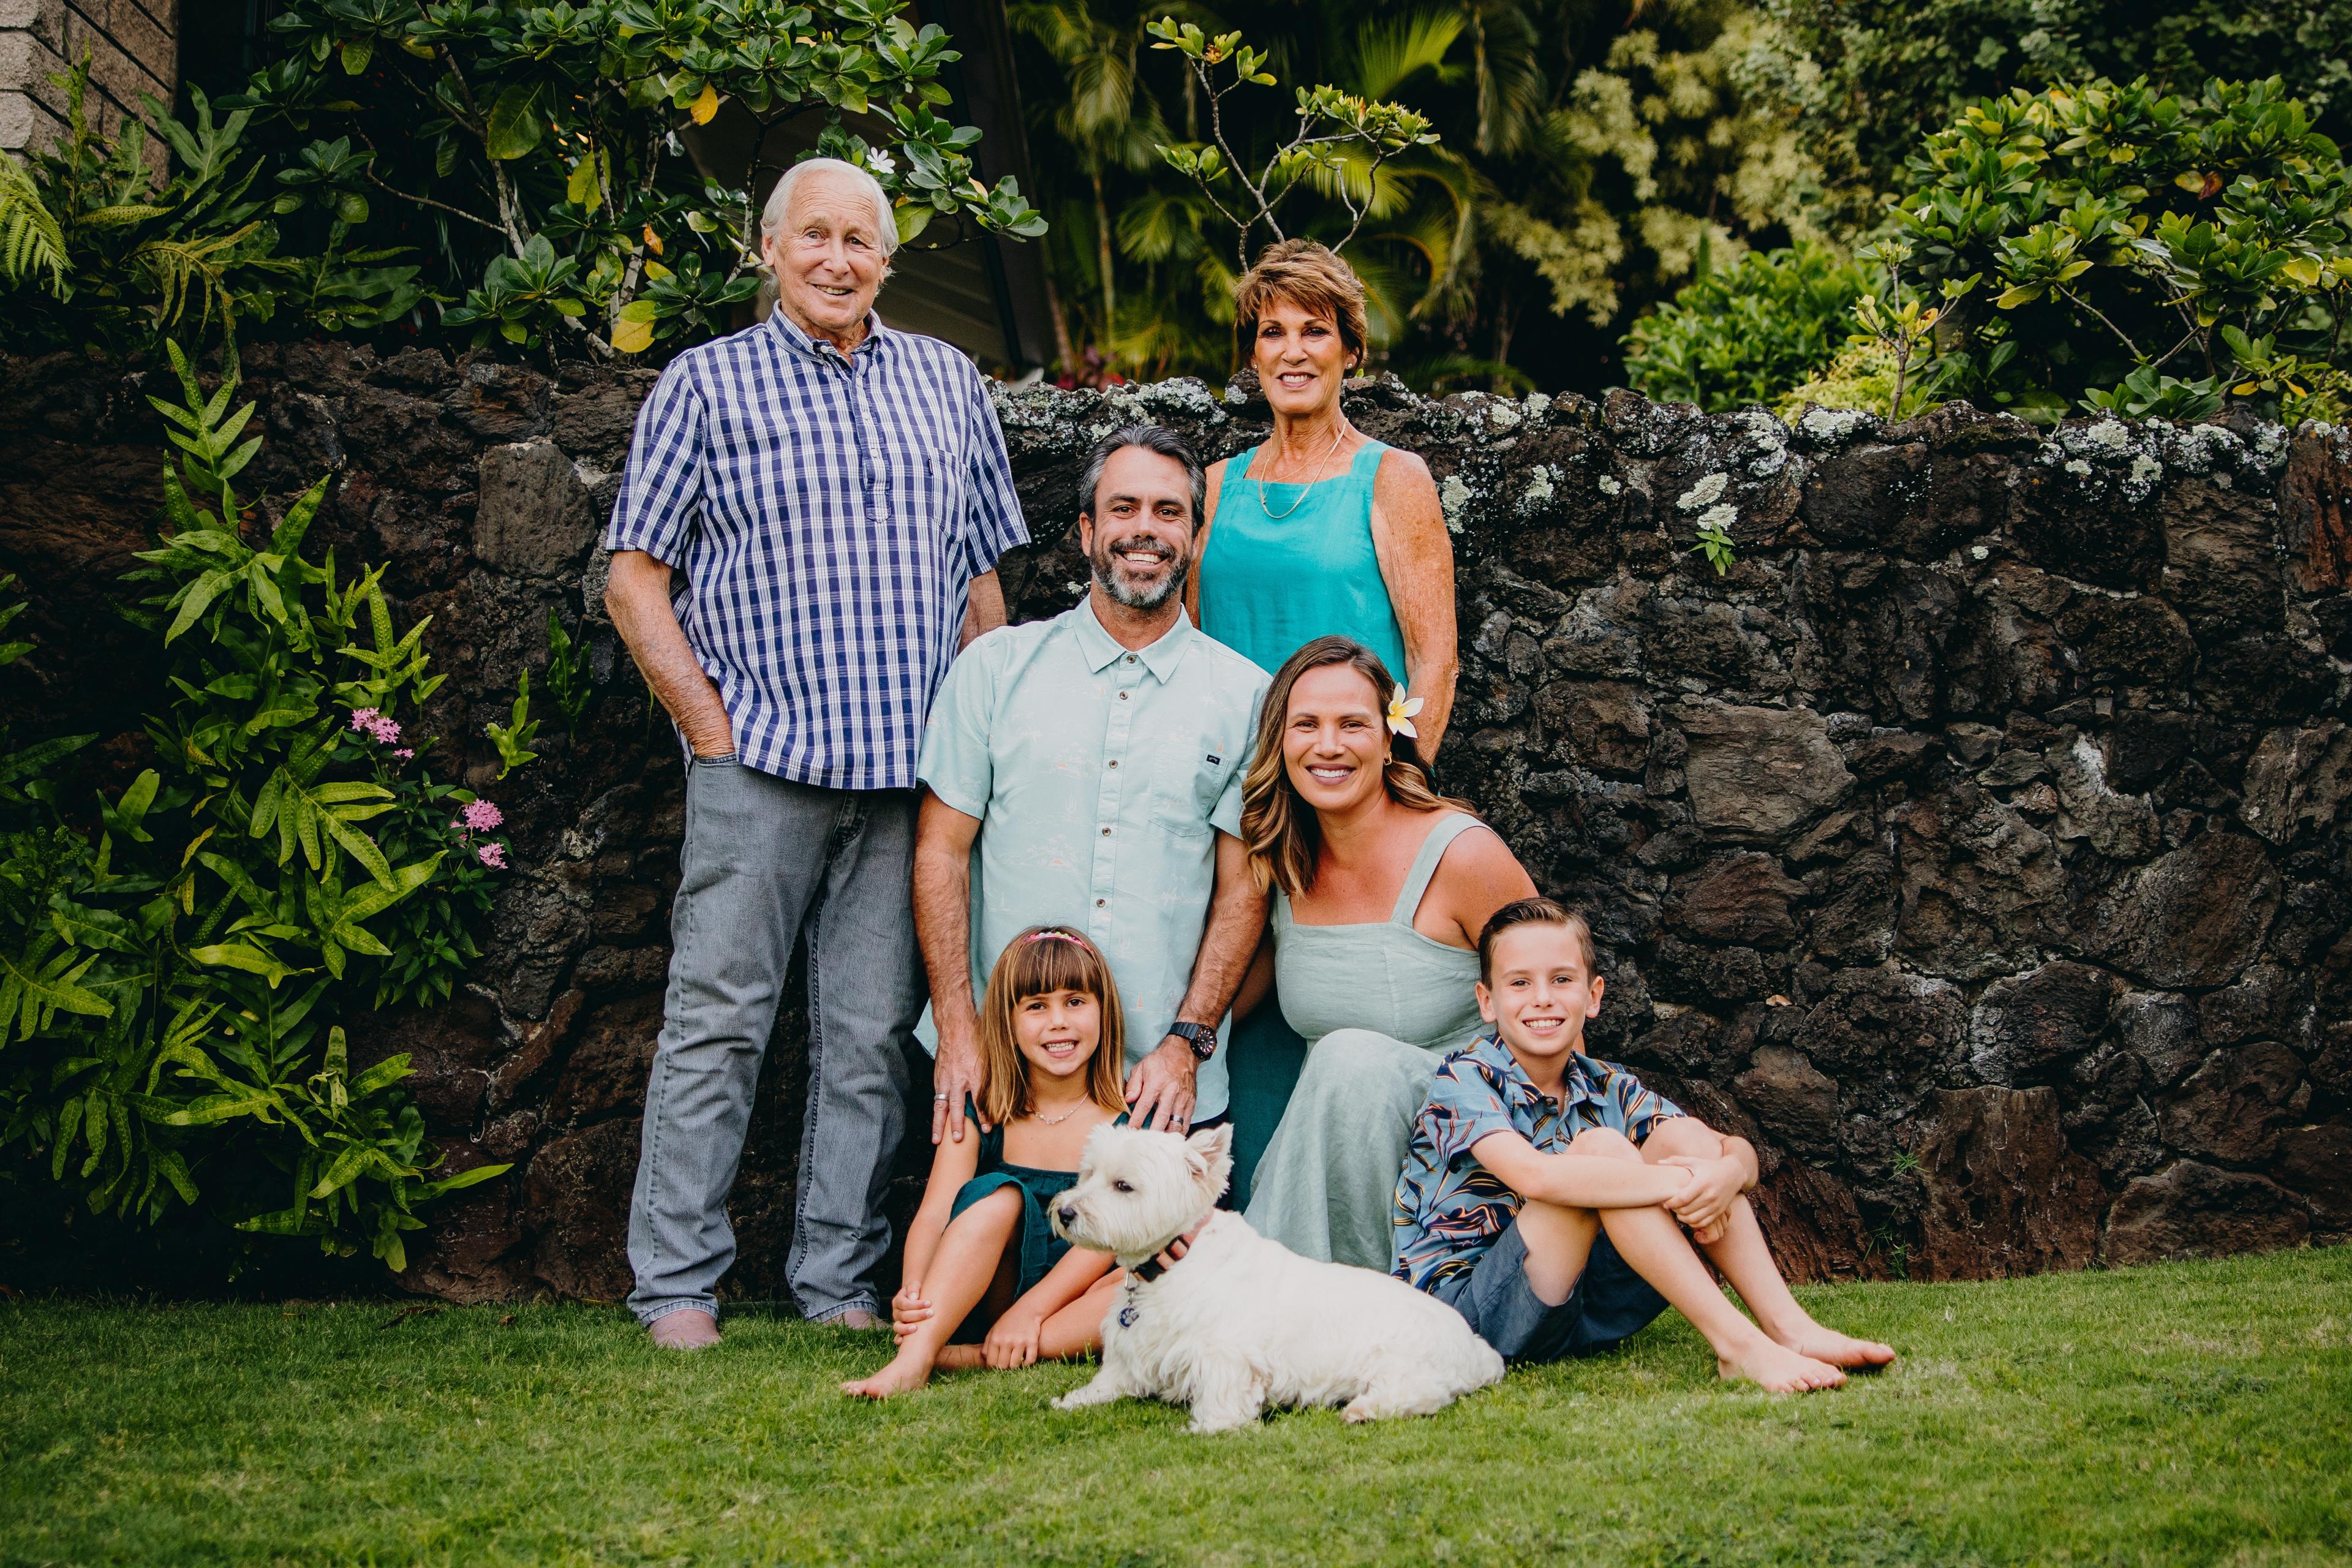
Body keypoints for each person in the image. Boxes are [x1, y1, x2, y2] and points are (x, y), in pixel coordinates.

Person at [605, 156, 1029, 1348]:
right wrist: (711, 728)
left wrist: (976, 747)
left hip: (906, 783)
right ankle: (678, 1285)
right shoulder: (706, 384)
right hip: (762, 766)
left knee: (866, 1043)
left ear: (888, 261)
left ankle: (836, 1278)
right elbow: (635, 579)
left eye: (861, 240)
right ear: (770, 249)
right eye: (815, 237)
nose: (838, 259)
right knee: (718, 1024)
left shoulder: (947, 382)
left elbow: (981, 582)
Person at [1186, 239, 1460, 1207]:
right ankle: (1238, 1232)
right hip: (1238, 804)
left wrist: (1393, 789)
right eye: (1273, 332)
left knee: (1343, 1009)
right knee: (1234, 1011)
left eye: (1316, 330)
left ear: (1351, 349)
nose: (1293, 350)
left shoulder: (1394, 480)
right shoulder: (1213, 489)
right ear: (1251, 356)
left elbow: (1434, 658)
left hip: (1351, 796)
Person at [913, 425, 1269, 1151]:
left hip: (1161, 1092)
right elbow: (940, 855)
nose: (1146, 530)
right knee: (982, 1260)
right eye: (1124, 508)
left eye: (1169, 512)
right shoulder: (994, 670)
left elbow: (1245, 889)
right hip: (1001, 1079)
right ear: (1086, 531)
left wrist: (1187, 1045)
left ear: (1196, 536)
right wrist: (958, 1027)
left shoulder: (1248, 697)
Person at [1393, 897, 1899, 1390]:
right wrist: (1685, 1182)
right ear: (1488, 1001)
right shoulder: (1465, 1079)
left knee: (1690, 1141)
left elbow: (1735, 1153)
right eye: (1520, 983)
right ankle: (1738, 1347)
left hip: (1580, 1304)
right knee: (1605, 1154)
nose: (1543, 998)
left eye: (1562, 980)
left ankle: (1793, 1329)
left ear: (1593, 996)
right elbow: (1536, 1177)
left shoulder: (1606, 1084)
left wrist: (1721, 1175)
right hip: (1469, 1322)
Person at [1240, 636, 1536, 1270]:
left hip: (1473, 1154)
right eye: (1306, 725)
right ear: (1280, 742)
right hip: (1346, 1159)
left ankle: (1369, 1298)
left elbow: (1553, 1002)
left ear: (1388, 735)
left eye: (1352, 724)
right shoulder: (1283, 864)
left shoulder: (1463, 855)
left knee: (1352, 1057)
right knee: (1342, 1067)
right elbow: (1237, 993)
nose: (1328, 745)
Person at [842, 927, 1131, 1398]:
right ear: (1009, 1022)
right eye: (1037, 1006)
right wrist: (915, 1292)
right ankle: (915, 1356)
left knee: (1148, 1279)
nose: (1059, 1021)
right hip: (984, 1288)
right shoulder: (986, 1112)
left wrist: (1032, 1310)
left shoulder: (1127, 1125)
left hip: (1068, 1303)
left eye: (1075, 1001)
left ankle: (970, 1356)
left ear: (1104, 1012)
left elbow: (1101, 1247)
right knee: (999, 1197)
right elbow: (935, 1212)